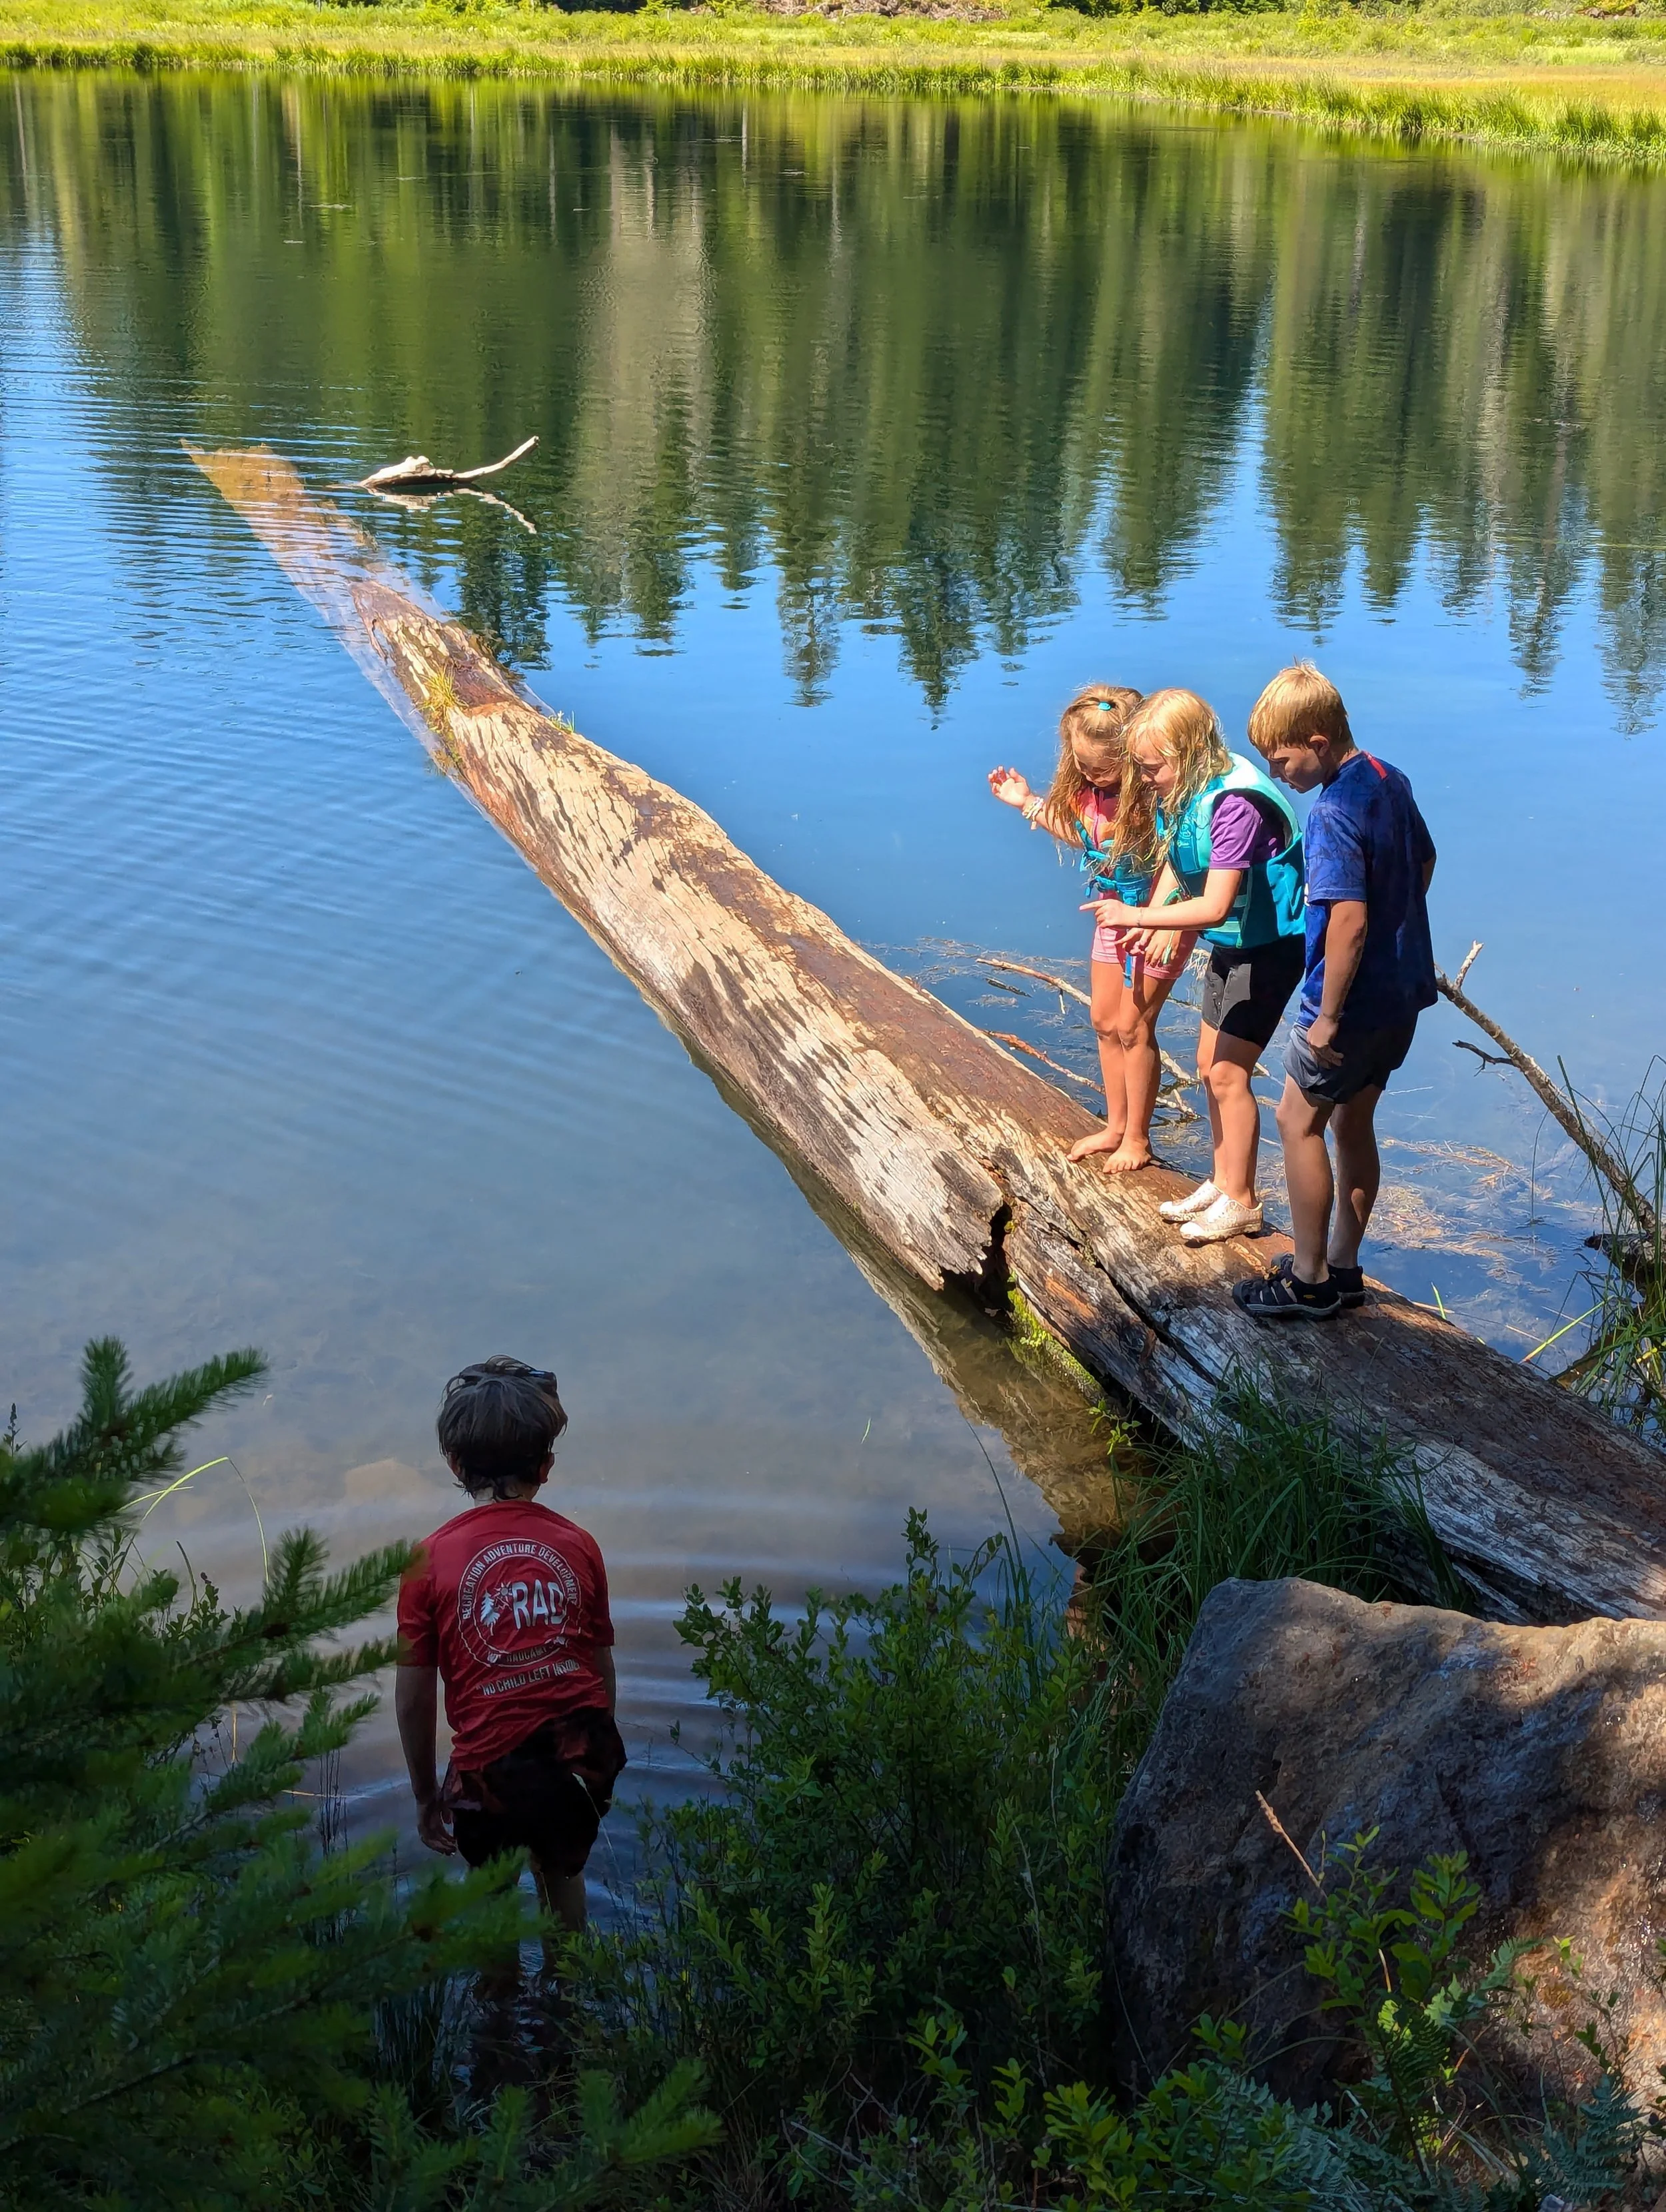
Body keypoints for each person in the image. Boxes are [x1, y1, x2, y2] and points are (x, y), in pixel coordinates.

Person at [1231, 662, 1437, 1320]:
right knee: (1352, 1122)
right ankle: (1345, 1266)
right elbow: (1425, 859)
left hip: (1344, 1004)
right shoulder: (1387, 778)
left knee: (1298, 1122)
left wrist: (1324, 1020)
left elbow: (1346, 920)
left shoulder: (1332, 812)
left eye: (1282, 759)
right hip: (1400, 992)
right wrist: (1395, 934)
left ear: (1318, 742)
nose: (1278, 774)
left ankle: (1309, 1277)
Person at [395, 1356, 624, 1939]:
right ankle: (568, 2002)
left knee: (491, 1891)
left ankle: (497, 2010)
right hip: (577, 1758)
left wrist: (426, 1795)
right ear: (546, 1467)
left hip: (489, 1775)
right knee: (563, 1877)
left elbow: (415, 1695)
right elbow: (599, 1669)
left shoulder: (426, 1560)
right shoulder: (579, 1544)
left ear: (453, 1463)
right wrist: (598, 1765)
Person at [1083, 688, 1305, 1245]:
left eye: (1153, 767)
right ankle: (1221, 1182)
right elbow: (1184, 867)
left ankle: (1244, 1201)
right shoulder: (1187, 788)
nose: (1146, 778)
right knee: (1209, 1064)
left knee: (1229, 1074)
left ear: (1189, 753)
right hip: (1235, 946)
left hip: (1271, 947)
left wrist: (1142, 915)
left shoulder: (1234, 806)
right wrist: (1155, 917)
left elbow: (1216, 905)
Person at [990, 684, 1198, 1171]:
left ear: (1131, 756)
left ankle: (1139, 1140)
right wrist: (1026, 803)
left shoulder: (1154, 797)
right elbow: (1088, 840)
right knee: (1105, 1022)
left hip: (1157, 919)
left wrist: (1159, 918)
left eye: (1102, 768)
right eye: (1081, 764)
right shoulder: (1088, 792)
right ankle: (1116, 1125)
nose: (1089, 775)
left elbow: (1189, 861)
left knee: (1134, 1026)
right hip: (1110, 914)